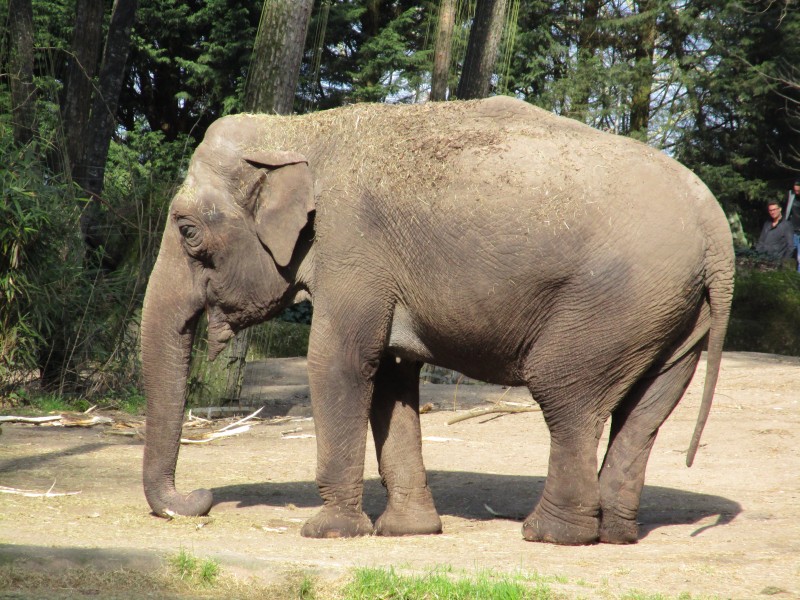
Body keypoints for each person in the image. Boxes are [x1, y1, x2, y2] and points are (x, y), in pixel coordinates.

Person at [784, 178, 800, 271]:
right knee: (789, 254)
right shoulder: (791, 195)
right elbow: (787, 212)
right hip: (792, 230)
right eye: (795, 190)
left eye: (798, 190)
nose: (797, 192)